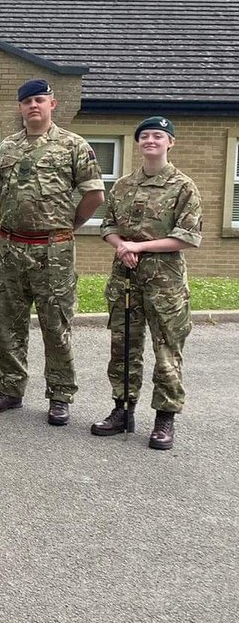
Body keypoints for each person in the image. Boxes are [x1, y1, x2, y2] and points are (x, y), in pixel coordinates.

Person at [0, 78, 105, 425]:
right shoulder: (7, 147)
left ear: (52, 104)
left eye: (40, 100)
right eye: (27, 102)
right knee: (8, 321)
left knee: (56, 325)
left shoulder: (73, 145)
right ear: (20, 107)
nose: (33, 106)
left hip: (53, 251)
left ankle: (60, 394)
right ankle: (10, 388)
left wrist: (69, 226)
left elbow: (94, 195)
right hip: (10, 247)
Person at [94, 117, 202, 450]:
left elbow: (187, 237)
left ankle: (164, 418)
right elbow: (107, 225)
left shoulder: (183, 186)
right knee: (123, 347)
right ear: (138, 143)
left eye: (158, 136)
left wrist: (138, 247)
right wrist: (121, 246)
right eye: (145, 136)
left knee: (166, 349)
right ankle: (122, 410)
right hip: (126, 278)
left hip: (164, 283)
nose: (151, 140)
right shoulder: (123, 185)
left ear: (171, 142)